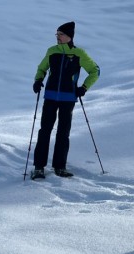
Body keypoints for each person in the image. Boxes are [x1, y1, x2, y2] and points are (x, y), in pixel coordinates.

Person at [31, 21, 100, 179]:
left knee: (63, 132)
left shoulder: (79, 53)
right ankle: (39, 167)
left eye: (60, 34)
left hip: (68, 98)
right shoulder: (52, 51)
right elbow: (42, 68)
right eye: (57, 34)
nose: (57, 37)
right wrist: (37, 80)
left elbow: (95, 71)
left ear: (69, 36)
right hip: (50, 96)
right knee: (44, 131)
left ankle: (60, 167)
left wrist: (84, 87)